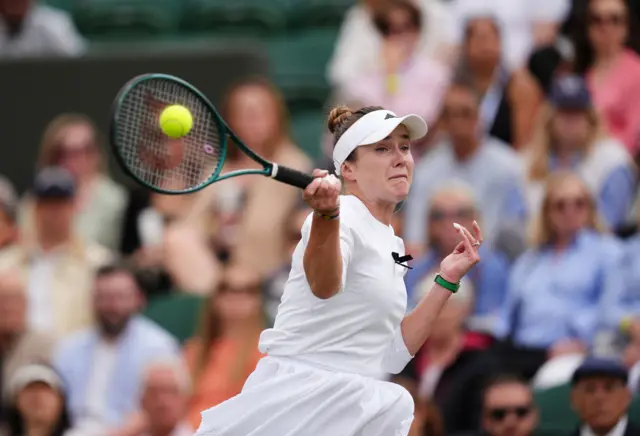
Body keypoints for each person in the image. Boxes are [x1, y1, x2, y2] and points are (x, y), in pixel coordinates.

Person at [195, 105, 483, 436]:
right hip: (299, 402)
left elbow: (392, 355)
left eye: (404, 146)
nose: (400, 157)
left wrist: (446, 280)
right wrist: (326, 217)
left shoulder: (391, 242)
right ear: (348, 168)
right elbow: (323, 284)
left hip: (347, 403)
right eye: (382, 148)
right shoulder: (342, 216)